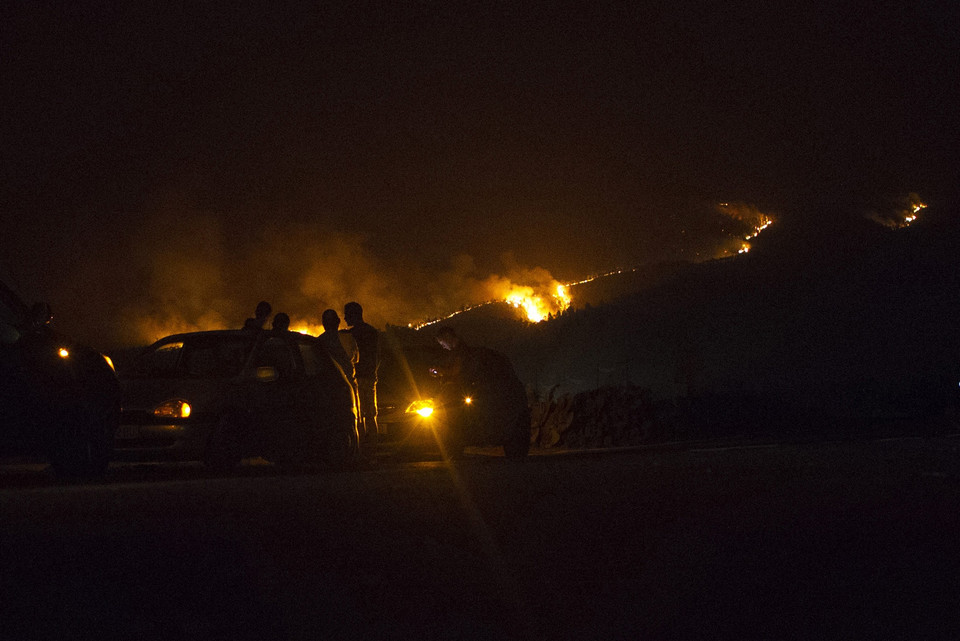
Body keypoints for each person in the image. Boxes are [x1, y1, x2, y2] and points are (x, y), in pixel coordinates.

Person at [431, 326, 530, 458]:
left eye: (442, 343)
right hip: (502, 401)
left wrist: (441, 372)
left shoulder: (463, 355)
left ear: (448, 338)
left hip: (480, 398)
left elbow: (459, 374)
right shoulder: (505, 377)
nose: (443, 347)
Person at [343, 301, 380, 441]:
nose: (345, 318)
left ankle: (363, 448)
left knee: (358, 415)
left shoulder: (349, 335)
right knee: (371, 415)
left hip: (357, 378)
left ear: (353, 315)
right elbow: (378, 356)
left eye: (347, 315)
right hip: (369, 377)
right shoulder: (372, 332)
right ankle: (373, 447)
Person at [318, 308, 358, 387]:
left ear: (323, 323)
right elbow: (356, 358)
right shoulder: (347, 338)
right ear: (338, 321)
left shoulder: (319, 341)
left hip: (328, 385)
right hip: (348, 383)